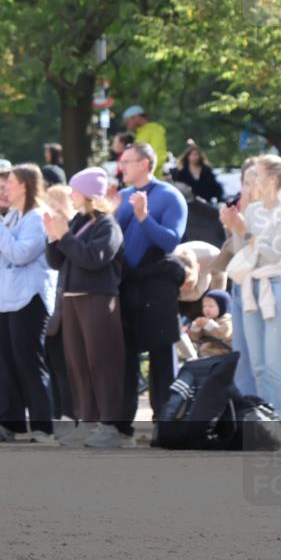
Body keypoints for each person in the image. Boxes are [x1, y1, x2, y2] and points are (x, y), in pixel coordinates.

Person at [221, 151, 281, 433]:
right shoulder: (253, 211)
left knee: (275, 360)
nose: (251, 180)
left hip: (278, 287)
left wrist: (244, 231)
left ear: (271, 178)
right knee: (257, 364)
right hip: (251, 287)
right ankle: (265, 424)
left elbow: (272, 255)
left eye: (256, 174)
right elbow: (241, 250)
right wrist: (233, 227)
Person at [45, 167, 126, 448]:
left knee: (101, 361)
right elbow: (57, 261)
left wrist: (65, 237)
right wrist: (54, 237)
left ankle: (110, 425)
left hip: (98, 299)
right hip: (72, 299)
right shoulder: (78, 221)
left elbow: (94, 258)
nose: (70, 194)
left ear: (89, 193)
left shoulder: (107, 225)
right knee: (78, 362)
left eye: (74, 189)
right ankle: (88, 420)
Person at [0, 164, 58, 443]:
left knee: (29, 362)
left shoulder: (37, 217)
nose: (4, 189)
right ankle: (7, 423)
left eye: (9, 182)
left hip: (29, 298)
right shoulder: (12, 216)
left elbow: (22, 253)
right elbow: (0, 250)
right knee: (5, 363)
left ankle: (42, 426)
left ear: (24, 184)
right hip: (5, 297)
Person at [114, 142, 187, 443]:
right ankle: (120, 424)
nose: (122, 167)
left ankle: (166, 424)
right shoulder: (121, 196)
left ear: (145, 164)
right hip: (126, 285)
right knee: (125, 358)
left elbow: (170, 241)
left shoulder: (170, 196)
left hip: (156, 287)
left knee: (161, 360)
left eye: (128, 161)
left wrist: (144, 217)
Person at [219, 158, 257, 396]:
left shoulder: (275, 212)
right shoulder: (236, 205)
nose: (248, 188)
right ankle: (248, 417)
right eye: (246, 181)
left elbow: (265, 253)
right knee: (242, 358)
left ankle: (271, 422)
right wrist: (232, 227)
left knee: (264, 364)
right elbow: (236, 249)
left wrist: (242, 228)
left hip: (264, 287)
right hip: (240, 285)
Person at [42, 184, 76, 425]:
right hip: (54, 308)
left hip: (68, 306)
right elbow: (53, 261)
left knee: (67, 368)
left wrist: (59, 235)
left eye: (52, 205)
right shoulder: (54, 231)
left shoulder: (73, 229)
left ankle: (71, 414)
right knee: (54, 364)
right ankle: (59, 413)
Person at [174, 240, 227, 321]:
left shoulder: (213, 257)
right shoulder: (167, 265)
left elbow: (220, 278)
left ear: (198, 268)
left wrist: (215, 305)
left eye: (189, 282)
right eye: (184, 282)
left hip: (205, 272)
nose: (187, 288)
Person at [121, 105, 166, 178]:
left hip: (150, 182)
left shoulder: (154, 130)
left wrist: (144, 174)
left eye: (128, 122)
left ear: (136, 117)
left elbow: (158, 156)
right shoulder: (140, 133)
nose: (127, 127)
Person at [188, 290, 233, 358]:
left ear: (222, 307)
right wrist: (196, 327)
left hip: (222, 355)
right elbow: (195, 338)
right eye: (204, 306)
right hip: (205, 355)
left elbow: (223, 334)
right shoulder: (206, 321)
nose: (207, 309)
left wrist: (208, 324)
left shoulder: (227, 320)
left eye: (211, 306)